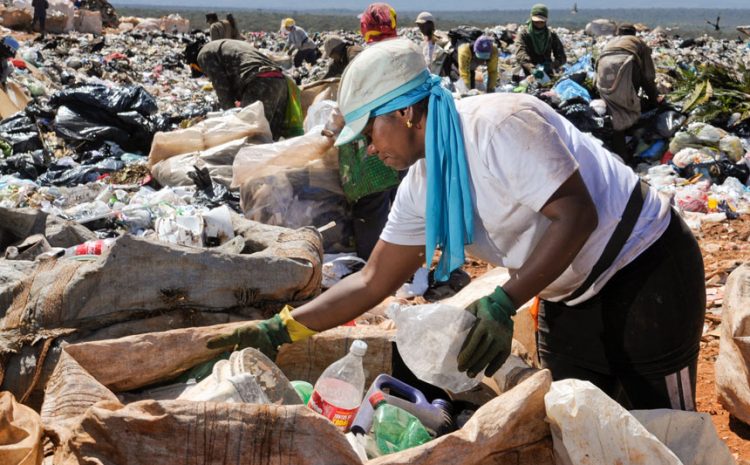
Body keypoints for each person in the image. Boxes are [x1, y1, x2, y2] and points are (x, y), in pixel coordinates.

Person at [207, 39, 706, 412]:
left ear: (403, 112)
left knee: (660, 429)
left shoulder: (498, 124)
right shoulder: (423, 183)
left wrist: (504, 300)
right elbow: (371, 279)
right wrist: (281, 329)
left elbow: (577, 216)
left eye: (369, 134)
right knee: (576, 419)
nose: (370, 150)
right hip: (566, 294)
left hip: (645, 271)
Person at [192, 39, 303, 140]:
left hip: (260, 83)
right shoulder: (225, 44)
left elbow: (222, 87)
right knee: (273, 137)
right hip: (280, 81)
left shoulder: (203, 55)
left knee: (250, 135)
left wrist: (230, 116)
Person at [596, 23, 660, 163]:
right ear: (634, 33)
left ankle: (614, 149)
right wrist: (654, 99)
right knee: (627, 104)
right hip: (625, 65)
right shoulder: (638, 43)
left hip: (603, 68)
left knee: (614, 109)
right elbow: (648, 76)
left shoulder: (610, 41)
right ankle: (624, 154)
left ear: (619, 33)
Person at [515, 4, 567, 77]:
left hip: (546, 71)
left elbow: (562, 57)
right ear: (531, 19)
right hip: (527, 70)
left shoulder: (551, 35)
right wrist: (532, 69)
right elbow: (520, 54)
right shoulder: (524, 34)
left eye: (542, 22)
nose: (539, 24)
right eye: (536, 22)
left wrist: (551, 65)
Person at [414, 11, 451, 77]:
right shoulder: (421, 42)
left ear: (430, 25)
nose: (421, 28)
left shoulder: (441, 41)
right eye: (419, 26)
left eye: (423, 26)